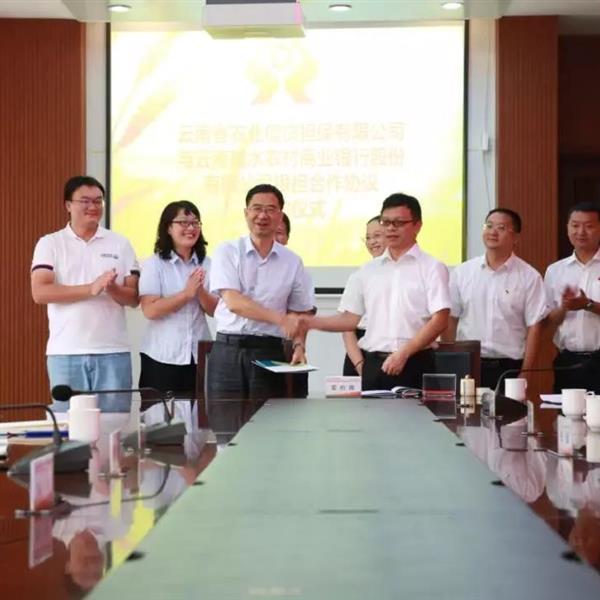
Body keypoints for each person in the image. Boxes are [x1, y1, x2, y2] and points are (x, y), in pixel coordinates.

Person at [304, 193, 451, 391]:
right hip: (374, 365)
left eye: (398, 223)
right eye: (386, 222)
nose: (391, 228)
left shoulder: (432, 267)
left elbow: (440, 319)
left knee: (417, 413)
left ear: (417, 225)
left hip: (415, 363)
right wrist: (311, 322)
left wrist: (403, 353)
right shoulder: (367, 270)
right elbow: (349, 319)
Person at [31, 176, 139, 411]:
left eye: (98, 201)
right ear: (68, 205)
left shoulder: (120, 243)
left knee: (114, 425)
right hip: (66, 353)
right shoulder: (50, 243)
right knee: (69, 426)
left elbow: (133, 298)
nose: (93, 206)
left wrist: (113, 289)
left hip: (113, 352)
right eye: (85, 201)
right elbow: (40, 292)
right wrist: (91, 288)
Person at [207, 184, 313, 399]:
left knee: (269, 417)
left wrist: (299, 345)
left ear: (280, 215)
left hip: (270, 351)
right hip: (228, 350)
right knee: (224, 417)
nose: (263, 215)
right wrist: (279, 319)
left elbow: (299, 312)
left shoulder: (292, 261)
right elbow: (234, 302)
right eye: (256, 208)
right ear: (246, 213)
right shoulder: (227, 251)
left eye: (270, 209)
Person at [444, 208, 548, 389]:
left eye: (501, 228)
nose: (493, 232)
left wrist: (526, 373)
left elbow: (535, 327)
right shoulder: (463, 273)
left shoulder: (529, 277)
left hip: (509, 367)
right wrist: (449, 361)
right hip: (467, 365)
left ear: (516, 237)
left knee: (509, 408)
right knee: (465, 408)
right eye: (489, 226)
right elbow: (451, 319)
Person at [138, 201, 218, 396]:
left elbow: (215, 310)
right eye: (183, 222)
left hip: (199, 356)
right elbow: (150, 310)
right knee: (159, 413)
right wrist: (186, 294)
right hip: (161, 356)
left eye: (195, 223)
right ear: (168, 228)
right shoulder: (154, 264)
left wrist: (200, 292)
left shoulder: (208, 264)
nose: (190, 228)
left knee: (200, 412)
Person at [545, 201, 600, 393]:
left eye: (589, 226)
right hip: (568, 362)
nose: (581, 232)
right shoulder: (555, 271)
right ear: (567, 228)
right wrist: (564, 307)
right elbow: (549, 320)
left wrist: (588, 304)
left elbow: (588, 305)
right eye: (575, 225)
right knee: (567, 411)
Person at [274, 212, 316, 398]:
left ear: (287, 237)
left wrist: (299, 347)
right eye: (271, 232)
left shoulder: (297, 268)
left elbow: (303, 316)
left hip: (289, 348)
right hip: (257, 349)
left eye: (279, 233)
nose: (275, 238)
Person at [342, 216, 386, 376]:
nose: (372, 242)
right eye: (368, 238)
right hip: (361, 353)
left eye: (377, 236)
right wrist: (360, 365)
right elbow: (347, 328)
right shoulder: (359, 275)